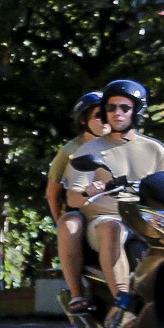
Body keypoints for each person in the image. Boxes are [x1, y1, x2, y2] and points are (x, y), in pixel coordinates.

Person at [63, 78, 164, 328]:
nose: (117, 113)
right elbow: (72, 197)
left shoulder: (156, 150)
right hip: (106, 219)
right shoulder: (89, 151)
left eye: (124, 107)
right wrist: (89, 190)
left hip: (146, 219)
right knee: (111, 227)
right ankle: (121, 303)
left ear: (137, 112)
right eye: (111, 108)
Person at [46, 92, 108, 315]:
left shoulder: (125, 143)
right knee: (69, 225)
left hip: (120, 206)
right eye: (100, 115)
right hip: (82, 208)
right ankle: (77, 293)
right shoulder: (69, 151)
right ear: (84, 120)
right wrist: (59, 222)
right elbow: (53, 193)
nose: (107, 119)